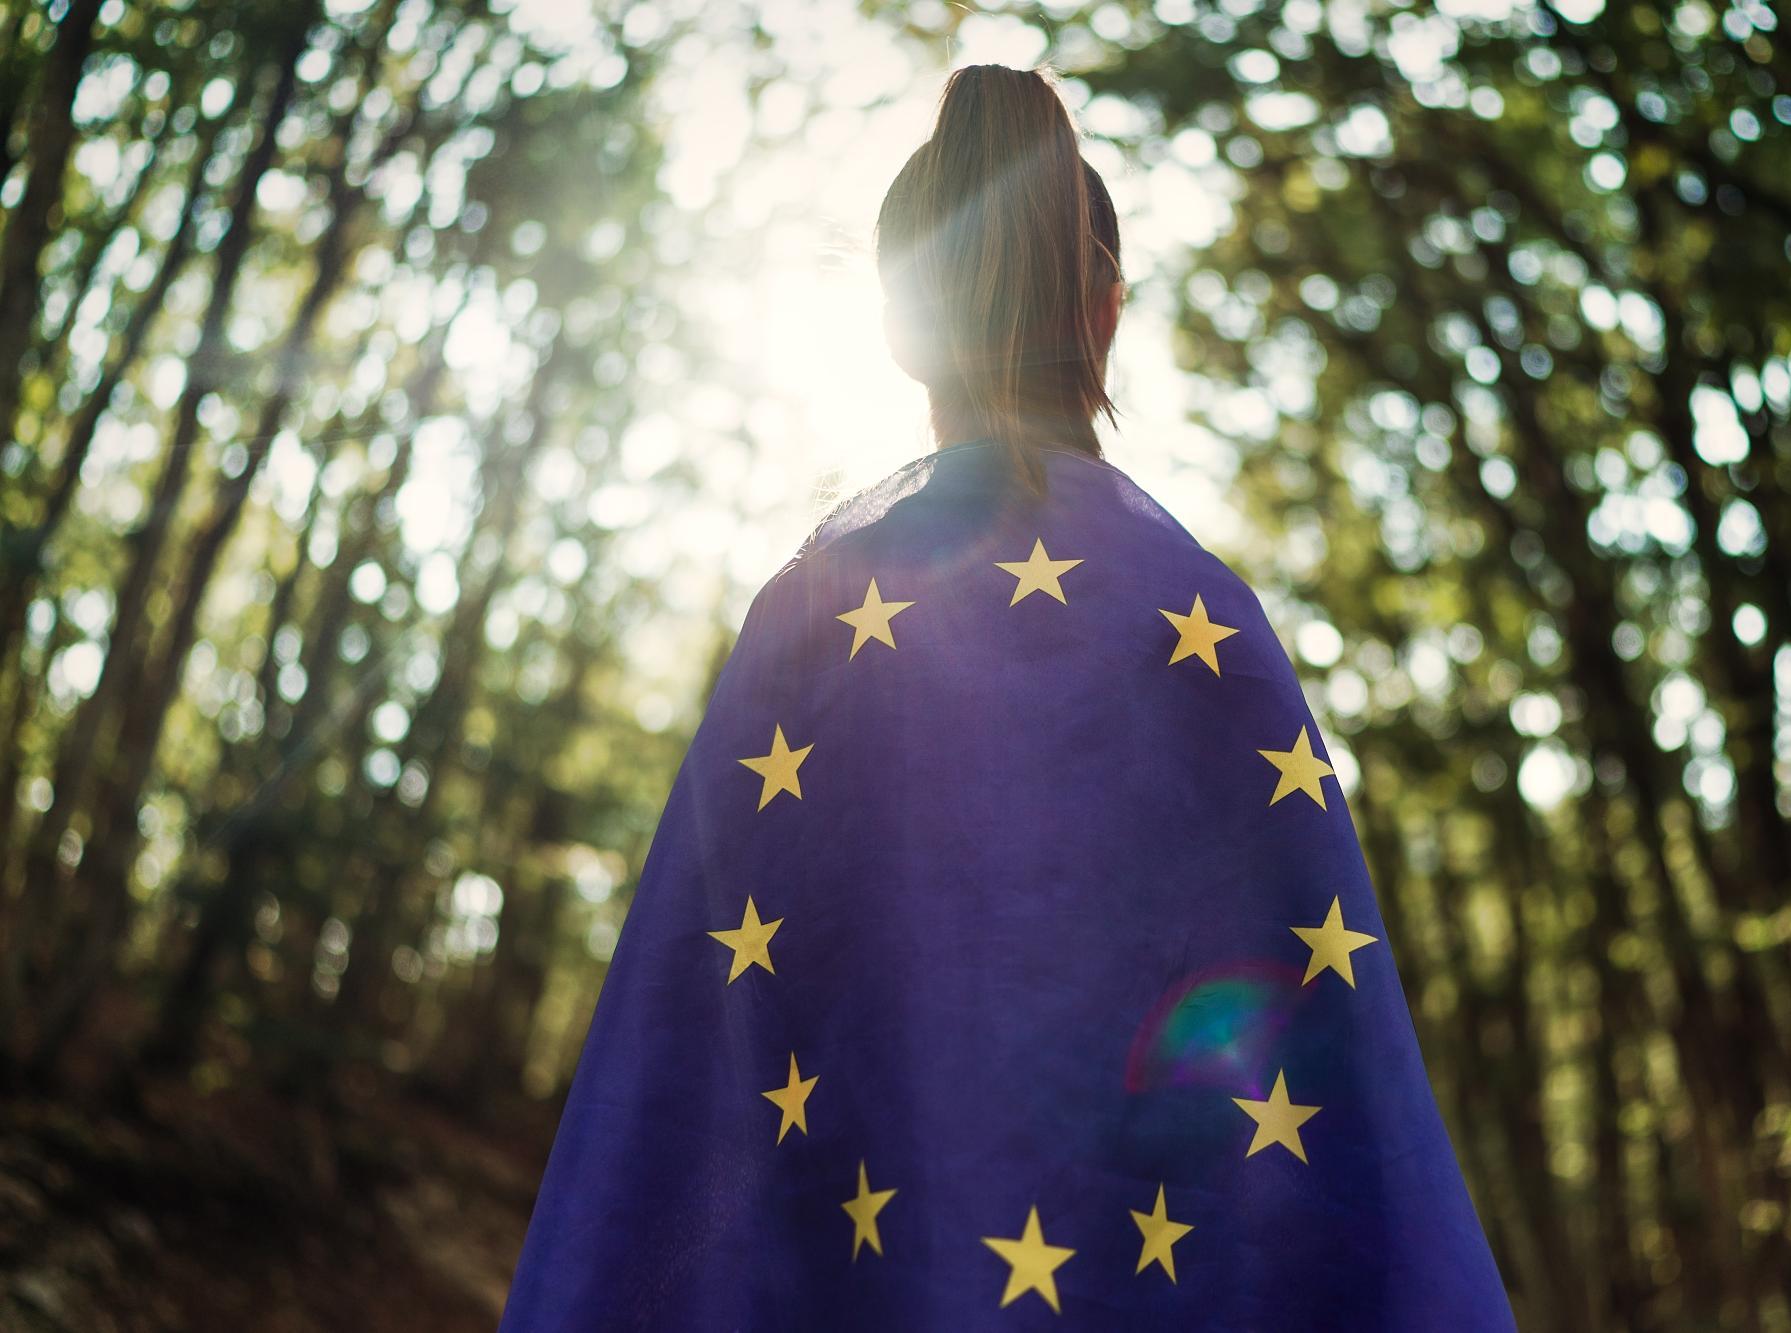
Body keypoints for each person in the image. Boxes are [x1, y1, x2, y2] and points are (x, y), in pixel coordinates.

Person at [497, 63, 1514, 1330]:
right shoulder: (1205, 628)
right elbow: (1335, 1134)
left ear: (895, 323)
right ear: (1107, 310)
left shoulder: (809, 624)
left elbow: (683, 1091)